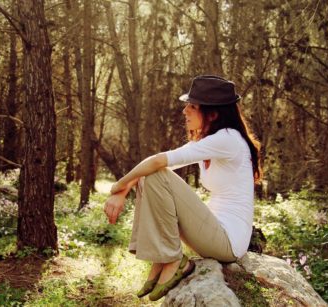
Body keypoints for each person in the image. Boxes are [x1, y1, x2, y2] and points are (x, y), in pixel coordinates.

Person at [103, 75, 261, 301]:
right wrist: (125, 188)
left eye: (192, 106)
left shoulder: (228, 139)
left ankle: (174, 260)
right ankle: (163, 258)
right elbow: (158, 163)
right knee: (149, 176)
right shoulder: (211, 139)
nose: (185, 110)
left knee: (156, 174)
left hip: (228, 243)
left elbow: (158, 162)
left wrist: (118, 188)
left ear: (213, 113)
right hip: (215, 231)